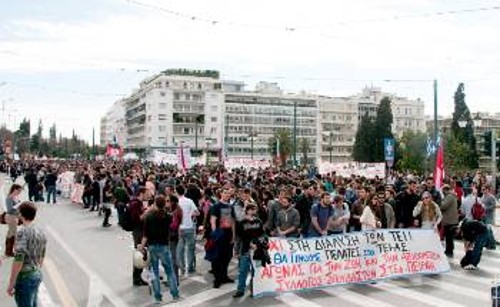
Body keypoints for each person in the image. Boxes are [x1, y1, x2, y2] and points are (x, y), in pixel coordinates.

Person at [139, 196, 181, 304]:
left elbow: (145, 235)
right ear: (164, 204)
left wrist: (142, 246)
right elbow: (172, 226)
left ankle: (158, 297)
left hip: (152, 246)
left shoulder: (149, 217)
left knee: (154, 272)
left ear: (155, 204)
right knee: (170, 271)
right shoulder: (167, 217)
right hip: (164, 245)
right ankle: (175, 295)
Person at [7, 201, 47, 307]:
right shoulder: (41, 231)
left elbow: (19, 259)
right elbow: (42, 254)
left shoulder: (22, 233)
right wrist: (37, 269)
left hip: (25, 277)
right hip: (36, 273)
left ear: (21, 214)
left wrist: (11, 283)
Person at [233, 202, 264, 298]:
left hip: (256, 249)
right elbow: (239, 237)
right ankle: (240, 290)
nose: (252, 211)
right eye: (251, 209)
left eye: (254, 209)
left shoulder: (258, 221)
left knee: (255, 271)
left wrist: (257, 244)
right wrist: (236, 250)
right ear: (247, 210)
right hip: (245, 249)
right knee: (243, 270)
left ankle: (254, 289)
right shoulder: (241, 221)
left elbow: (262, 235)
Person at [209, 186, 236, 288]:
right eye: (225, 193)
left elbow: (233, 222)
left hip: (228, 234)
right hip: (219, 234)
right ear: (221, 194)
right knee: (218, 258)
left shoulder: (230, 206)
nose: (227, 195)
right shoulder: (216, 206)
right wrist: (215, 234)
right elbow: (212, 221)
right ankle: (217, 279)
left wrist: (233, 235)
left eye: (228, 193)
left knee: (227, 257)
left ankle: (224, 276)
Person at [176, 185, 199, 276]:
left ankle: (182, 268)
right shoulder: (189, 201)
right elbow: (197, 212)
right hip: (189, 226)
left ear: (176, 192)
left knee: (180, 249)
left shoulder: (176, 202)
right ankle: (190, 267)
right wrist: (190, 214)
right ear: (184, 191)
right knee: (190, 248)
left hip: (179, 228)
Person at [440, 184, 459, 257]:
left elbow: (443, 206)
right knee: (449, 236)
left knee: (448, 236)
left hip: (449, 220)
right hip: (451, 219)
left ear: (445, 190)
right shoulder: (452, 195)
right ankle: (450, 249)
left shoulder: (449, 196)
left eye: (443, 191)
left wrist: (441, 200)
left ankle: (449, 250)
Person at [4, 184, 23, 257]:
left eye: (20, 191)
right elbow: (9, 210)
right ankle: (10, 251)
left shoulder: (16, 197)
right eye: (18, 190)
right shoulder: (9, 198)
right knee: (13, 235)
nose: (19, 192)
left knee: (10, 234)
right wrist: (18, 210)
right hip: (11, 217)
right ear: (14, 189)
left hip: (15, 217)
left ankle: (8, 251)